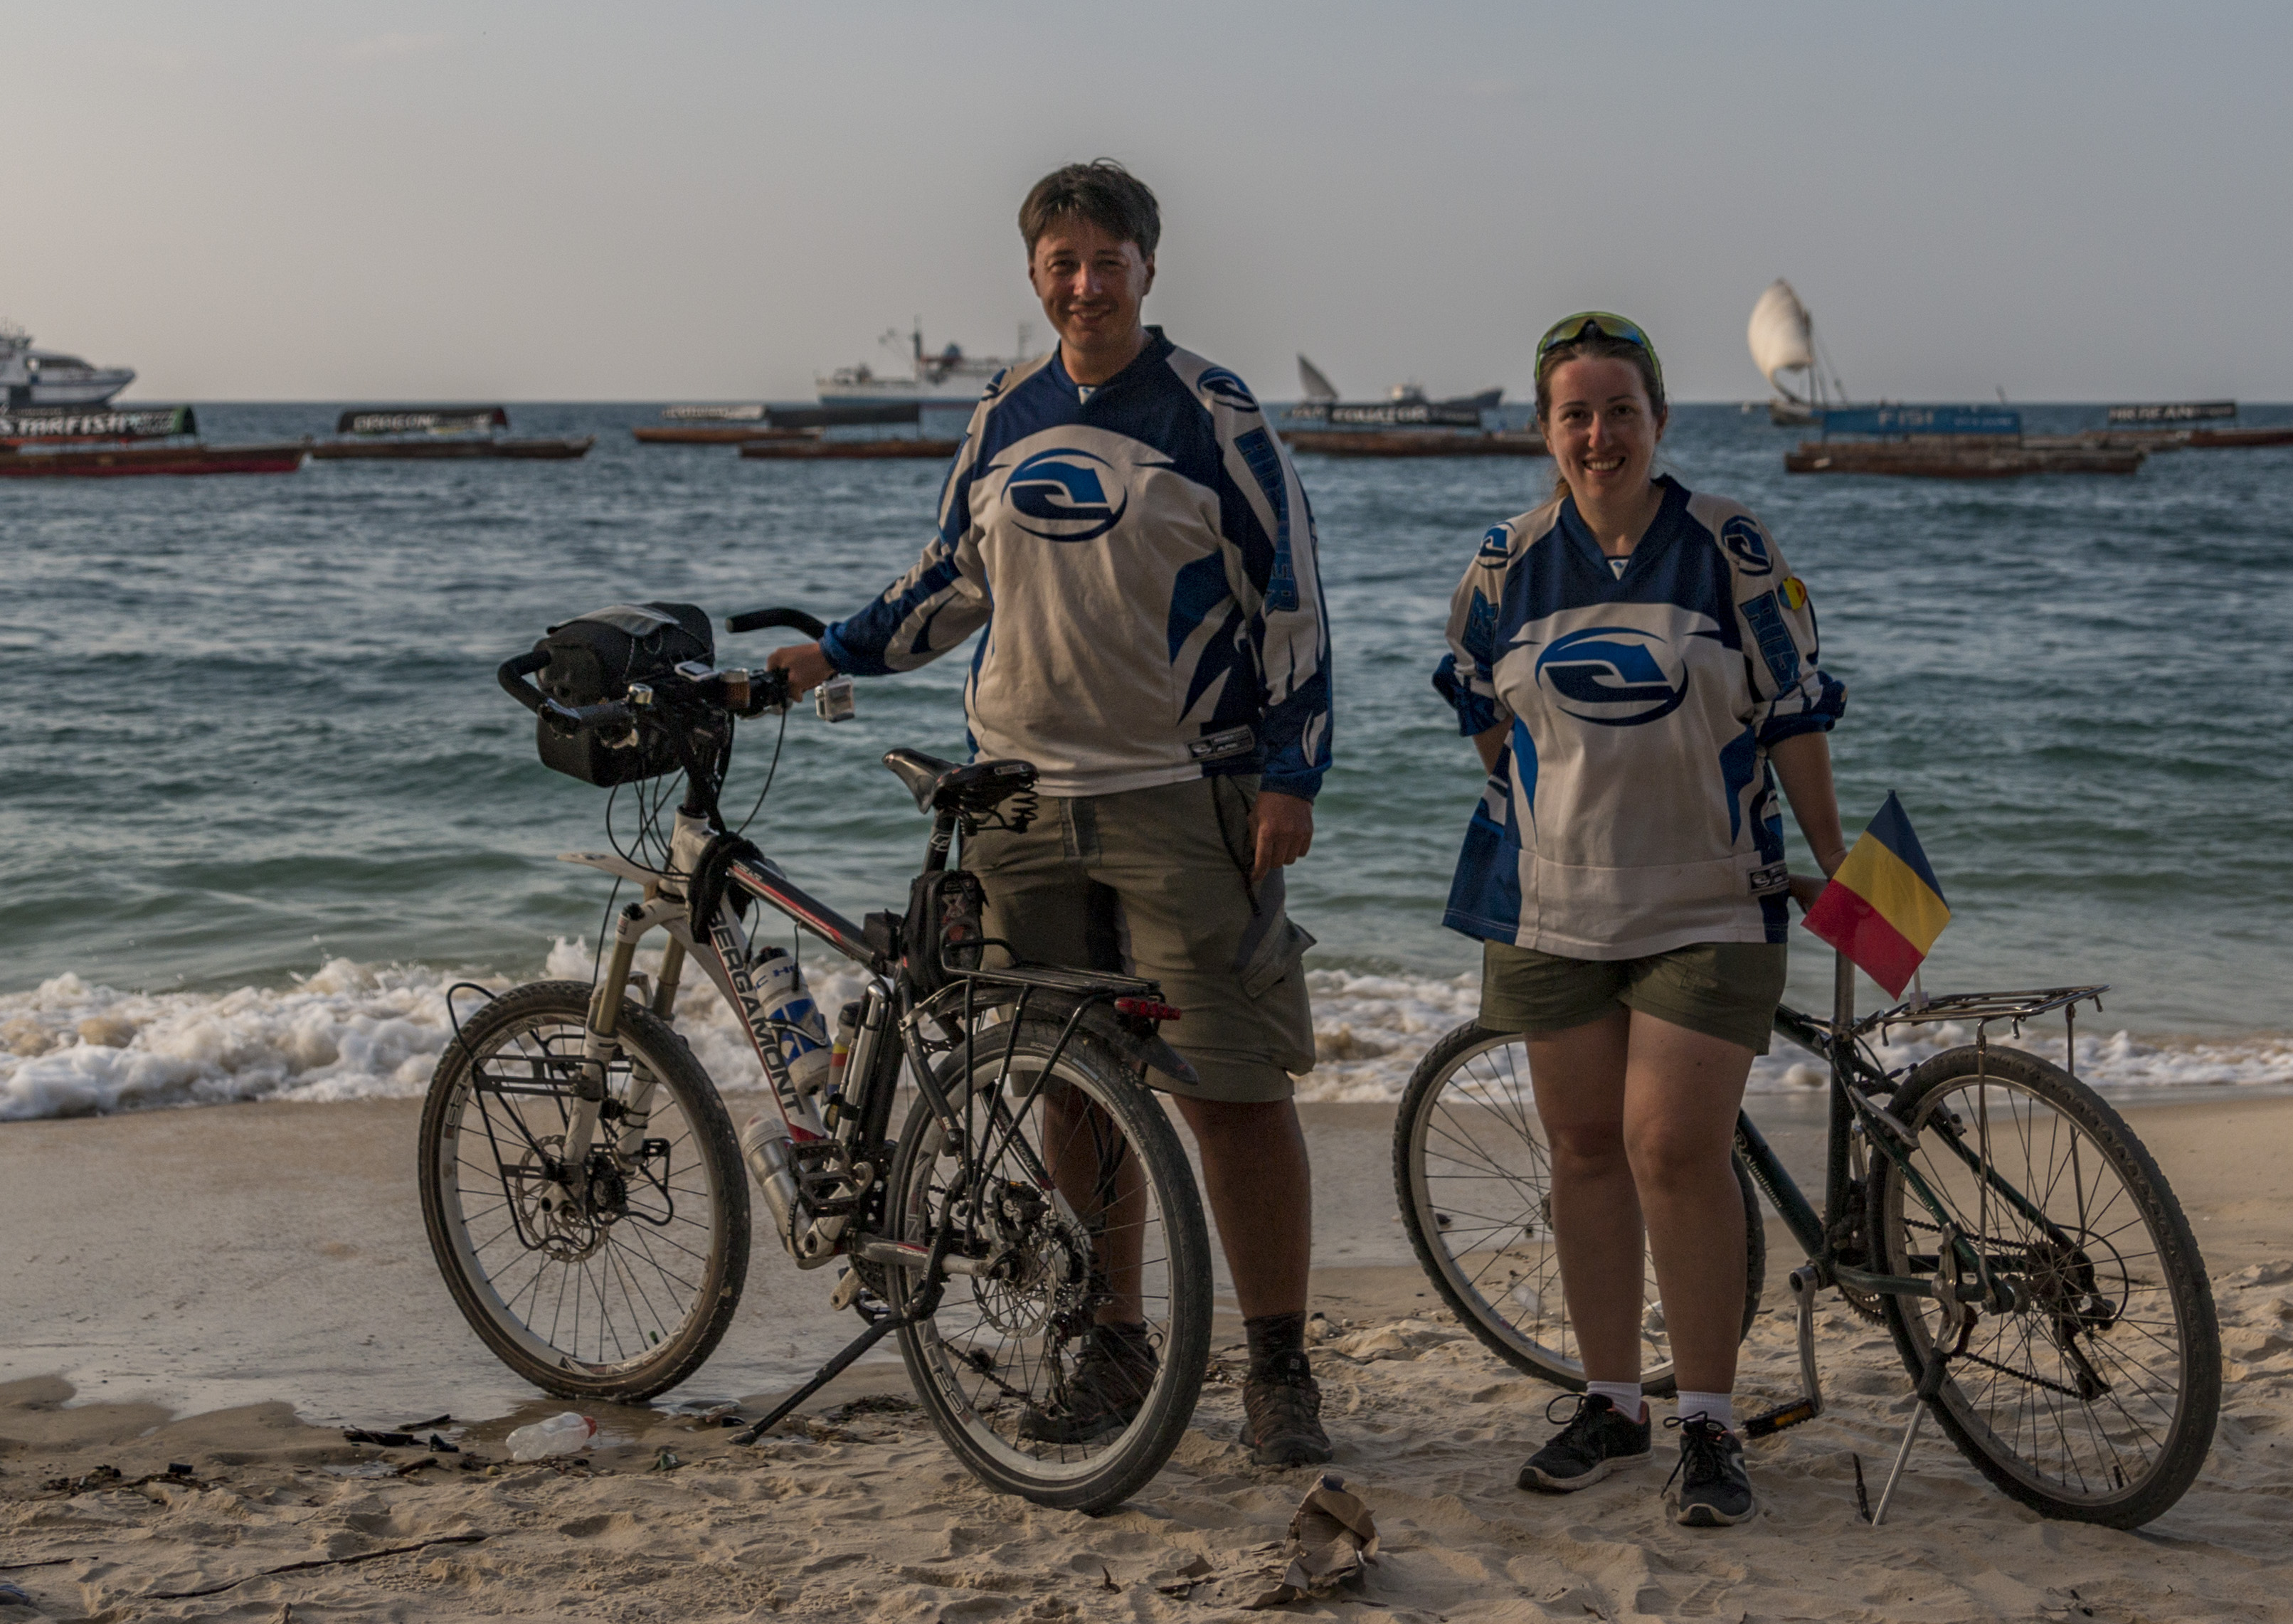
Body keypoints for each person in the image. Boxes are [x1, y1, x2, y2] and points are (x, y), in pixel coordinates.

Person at [768, 160, 1335, 1467]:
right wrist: (830, 655)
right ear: (1034, 274)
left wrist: (1294, 773)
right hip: (1018, 804)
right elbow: (949, 582)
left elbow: (1292, 596)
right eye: (1061, 262)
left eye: (1108, 260)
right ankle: (1110, 1342)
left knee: (1232, 1090)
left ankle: (1281, 1371)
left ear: (1149, 267)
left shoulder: (1215, 413)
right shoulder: (1003, 413)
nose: (1086, 283)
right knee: (1067, 1095)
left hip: (1182, 795)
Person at [1430, 312, 1847, 1527]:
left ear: (1660, 421)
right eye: (1576, 412)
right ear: (1543, 430)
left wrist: (1839, 869)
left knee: (1672, 1146)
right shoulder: (1507, 562)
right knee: (1585, 1153)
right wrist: (1533, 800)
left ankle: (1710, 1425)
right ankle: (1614, 1403)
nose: (1599, 433)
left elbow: (1798, 713)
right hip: (1550, 908)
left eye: (1622, 409)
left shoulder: (1730, 545)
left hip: (1711, 900)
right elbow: (1471, 691)